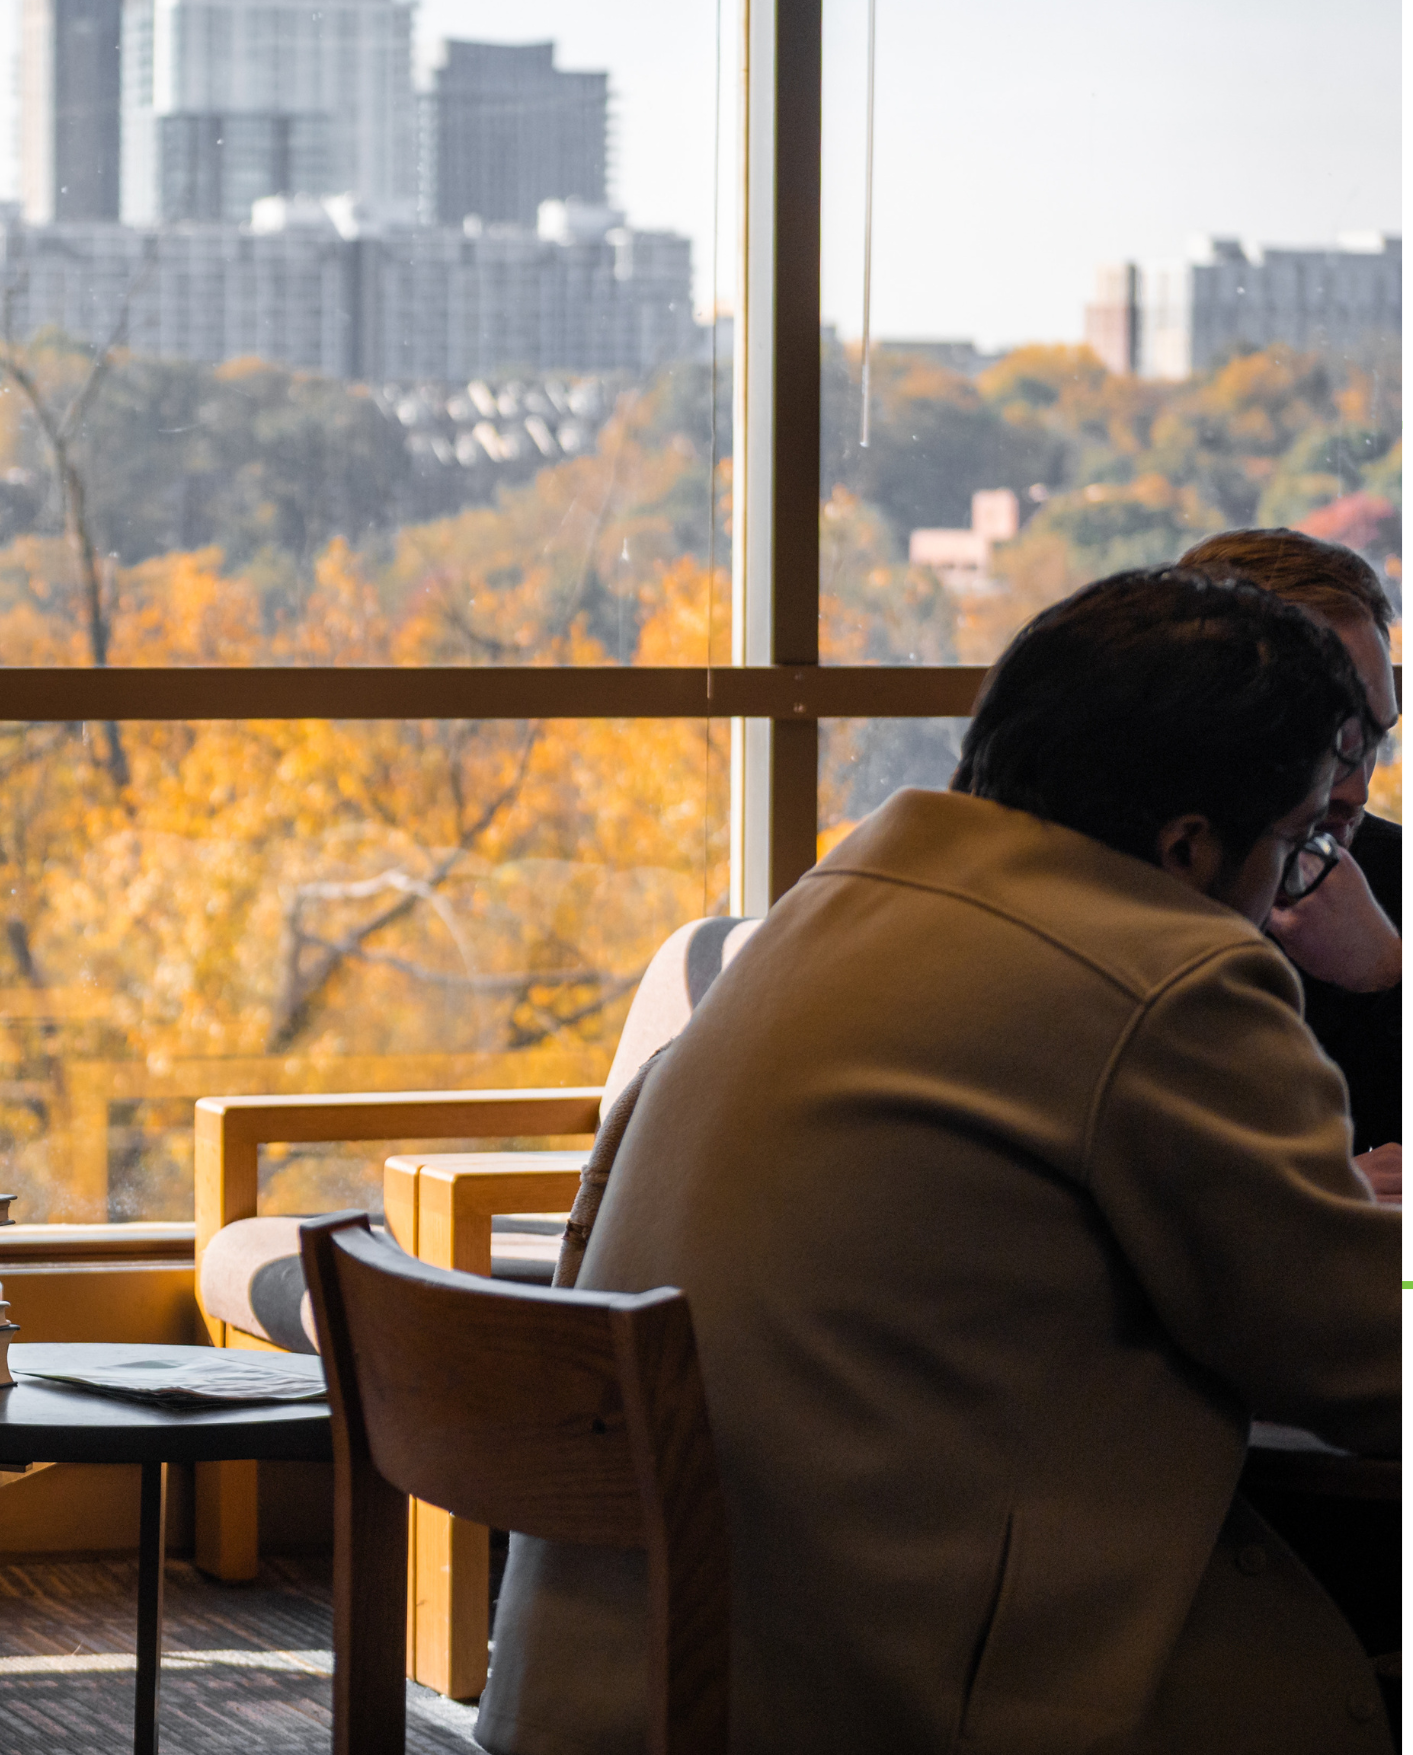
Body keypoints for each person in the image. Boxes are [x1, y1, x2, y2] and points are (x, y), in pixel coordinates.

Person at [479, 569, 1400, 1755]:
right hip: (889, 1676)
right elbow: (1357, 1349)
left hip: (631, 1666)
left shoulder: (838, 899)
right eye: (1298, 846)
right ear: (1185, 846)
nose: (1301, 882)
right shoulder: (1163, 975)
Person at [1176, 528, 1400, 1168]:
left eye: (1375, 740)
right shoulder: (1100, 899)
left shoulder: (1398, 877)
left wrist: (1391, 971)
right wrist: (1315, 1207)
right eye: (1329, 743)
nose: (1356, 789)